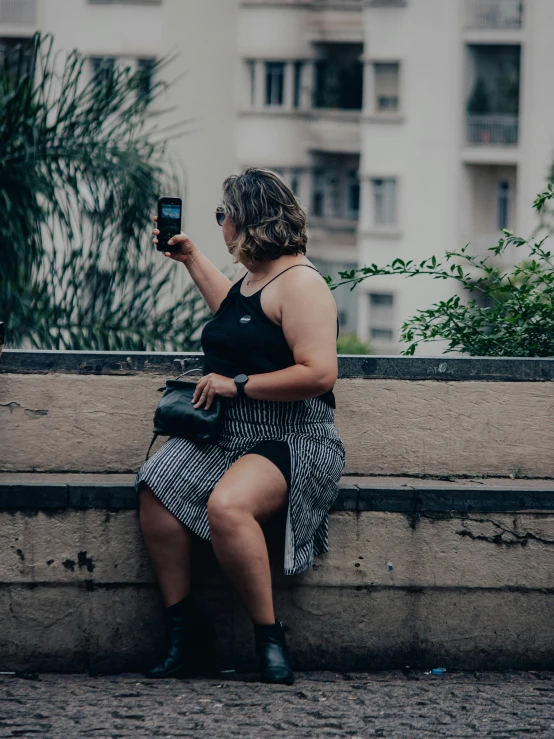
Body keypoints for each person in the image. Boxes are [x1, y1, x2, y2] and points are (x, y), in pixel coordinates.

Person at [136, 168, 346, 685]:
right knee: (156, 488)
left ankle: (268, 638)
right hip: (231, 433)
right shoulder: (256, 279)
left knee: (228, 505)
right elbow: (235, 314)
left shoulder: (301, 283)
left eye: (221, 216)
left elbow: (318, 374)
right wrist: (190, 257)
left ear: (247, 220)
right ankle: (188, 635)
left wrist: (240, 384)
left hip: (294, 437)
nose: (220, 226)